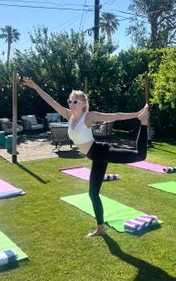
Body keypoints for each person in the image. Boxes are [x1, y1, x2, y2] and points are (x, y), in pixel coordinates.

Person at [22, 77, 149, 237]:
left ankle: (144, 123)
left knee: (140, 155)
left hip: (102, 151)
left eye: (74, 102)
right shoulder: (69, 116)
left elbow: (113, 116)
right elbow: (51, 101)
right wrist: (35, 87)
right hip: (96, 158)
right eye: (70, 101)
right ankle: (101, 228)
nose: (70, 104)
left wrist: (137, 115)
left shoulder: (88, 117)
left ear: (82, 104)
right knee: (93, 193)